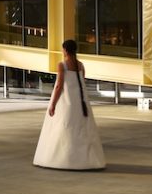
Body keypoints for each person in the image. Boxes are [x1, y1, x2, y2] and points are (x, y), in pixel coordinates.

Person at [33, 39, 105, 170]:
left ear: (65, 50)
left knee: (64, 129)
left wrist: (53, 103)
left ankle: (63, 159)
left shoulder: (62, 65)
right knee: (81, 130)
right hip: (81, 103)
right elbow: (80, 84)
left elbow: (59, 86)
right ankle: (84, 160)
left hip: (66, 103)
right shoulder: (81, 66)